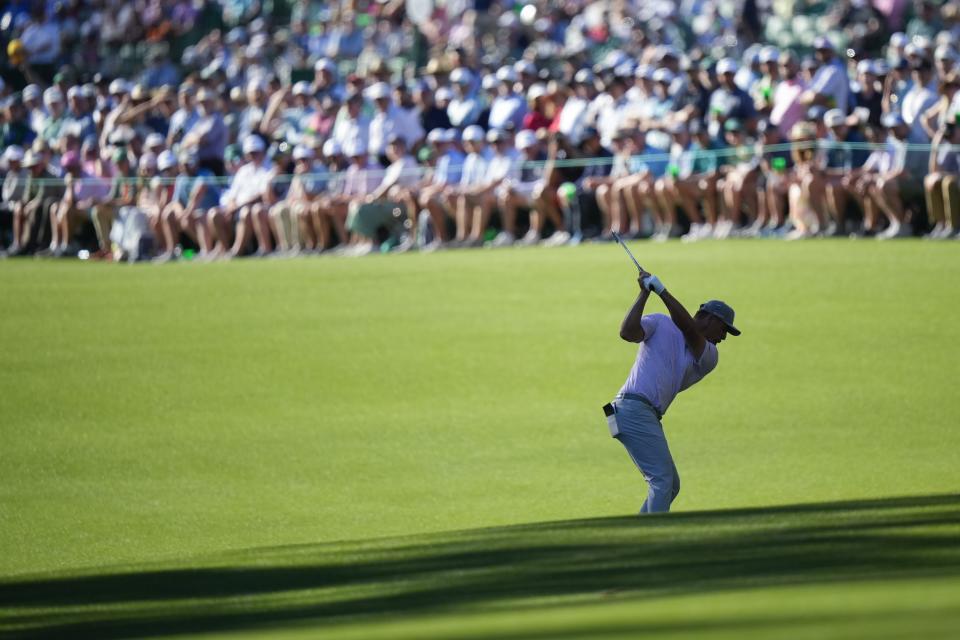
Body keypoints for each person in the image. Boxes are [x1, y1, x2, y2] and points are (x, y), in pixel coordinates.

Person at [608, 270, 739, 514]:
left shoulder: (709, 355)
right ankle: (652, 538)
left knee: (670, 485)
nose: (723, 337)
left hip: (641, 413)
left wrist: (662, 291)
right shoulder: (660, 322)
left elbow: (689, 330)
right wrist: (644, 294)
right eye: (724, 329)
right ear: (706, 318)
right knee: (662, 480)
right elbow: (627, 333)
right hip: (632, 408)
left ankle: (637, 533)